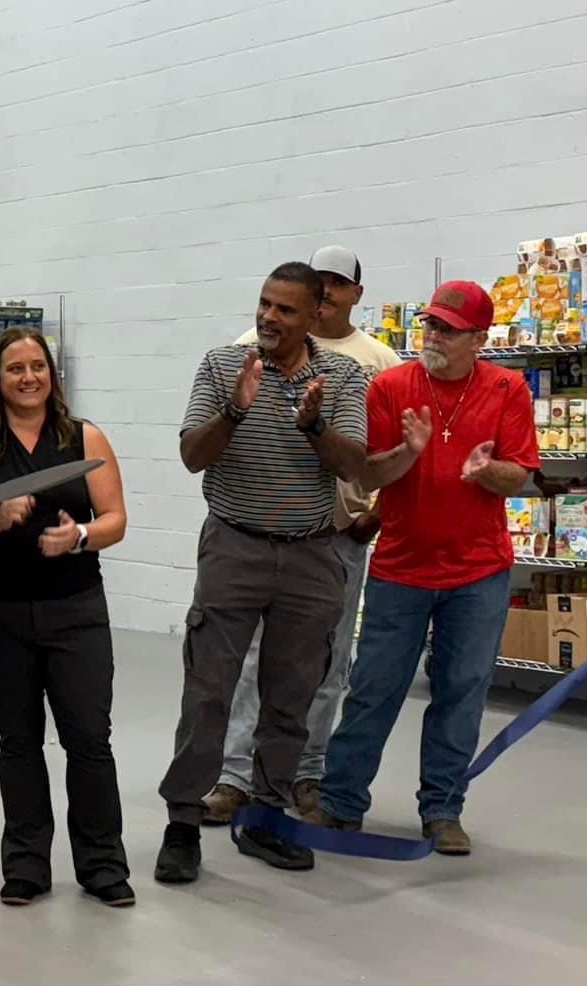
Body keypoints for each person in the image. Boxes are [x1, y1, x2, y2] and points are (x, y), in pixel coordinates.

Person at [304, 281, 538, 855]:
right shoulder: (390, 386)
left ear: (479, 339)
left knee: (462, 692)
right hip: (400, 568)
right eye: (430, 324)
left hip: (478, 573)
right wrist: (409, 453)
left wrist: (487, 472)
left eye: (448, 330)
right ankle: (341, 801)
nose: (432, 336)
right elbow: (367, 475)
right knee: (374, 687)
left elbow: (521, 474)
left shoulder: (507, 389)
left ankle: (443, 811)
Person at [154, 262, 369, 884]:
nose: (269, 317)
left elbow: (353, 464)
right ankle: (182, 824)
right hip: (234, 547)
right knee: (208, 691)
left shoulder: (343, 376)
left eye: (285, 309)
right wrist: (234, 409)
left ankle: (267, 818)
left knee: (291, 695)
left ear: (316, 315)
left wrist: (314, 424)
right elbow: (192, 455)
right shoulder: (224, 364)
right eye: (265, 304)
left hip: (311, 555)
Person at [208, 245, 402, 823]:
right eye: (321, 282)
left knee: (327, 662)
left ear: (354, 295)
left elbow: (392, 453)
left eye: (339, 284)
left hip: (341, 535)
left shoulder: (379, 362)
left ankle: (305, 773)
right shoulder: (251, 347)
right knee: (253, 660)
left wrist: (376, 513)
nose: (329, 293)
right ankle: (236, 775)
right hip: (264, 535)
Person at [0, 327, 134, 908]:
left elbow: (115, 519)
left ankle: (103, 864)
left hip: (74, 609)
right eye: (15, 368)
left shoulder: (84, 438)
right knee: (18, 740)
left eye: (38, 366)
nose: (28, 377)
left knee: (89, 739)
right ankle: (26, 865)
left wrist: (78, 536)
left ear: (52, 375)